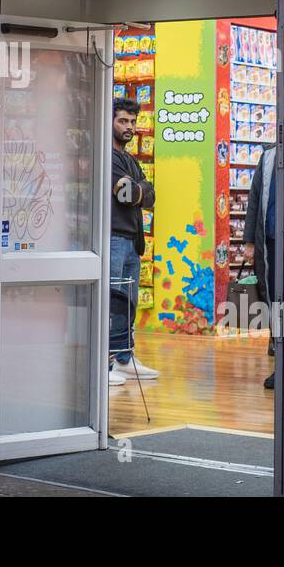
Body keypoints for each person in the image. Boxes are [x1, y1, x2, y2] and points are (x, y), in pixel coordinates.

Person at [245, 126, 284, 391]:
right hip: (273, 242)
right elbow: (255, 199)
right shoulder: (268, 157)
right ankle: (283, 367)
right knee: (277, 301)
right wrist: (248, 241)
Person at [109, 98, 157, 386]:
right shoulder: (107, 156)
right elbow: (125, 194)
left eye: (132, 122)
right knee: (111, 301)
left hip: (131, 241)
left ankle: (124, 358)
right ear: (111, 122)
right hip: (113, 237)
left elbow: (150, 196)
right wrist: (141, 189)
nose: (129, 127)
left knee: (127, 303)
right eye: (122, 121)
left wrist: (139, 189)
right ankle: (105, 364)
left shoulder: (131, 160)